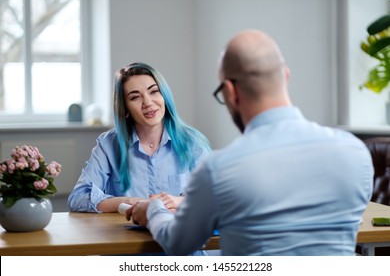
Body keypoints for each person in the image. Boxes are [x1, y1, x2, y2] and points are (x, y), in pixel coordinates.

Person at [127, 29, 374, 255]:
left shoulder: (219, 169)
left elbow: (178, 243)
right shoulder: (355, 152)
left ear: (230, 92)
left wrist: (153, 210)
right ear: (286, 77)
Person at [68, 62, 211, 214]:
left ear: (164, 96)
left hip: (178, 233)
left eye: (154, 91)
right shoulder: (108, 144)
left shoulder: (192, 141)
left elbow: (217, 195)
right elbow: (78, 198)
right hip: (125, 235)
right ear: (125, 108)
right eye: (135, 97)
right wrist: (128, 202)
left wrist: (178, 201)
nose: (148, 103)